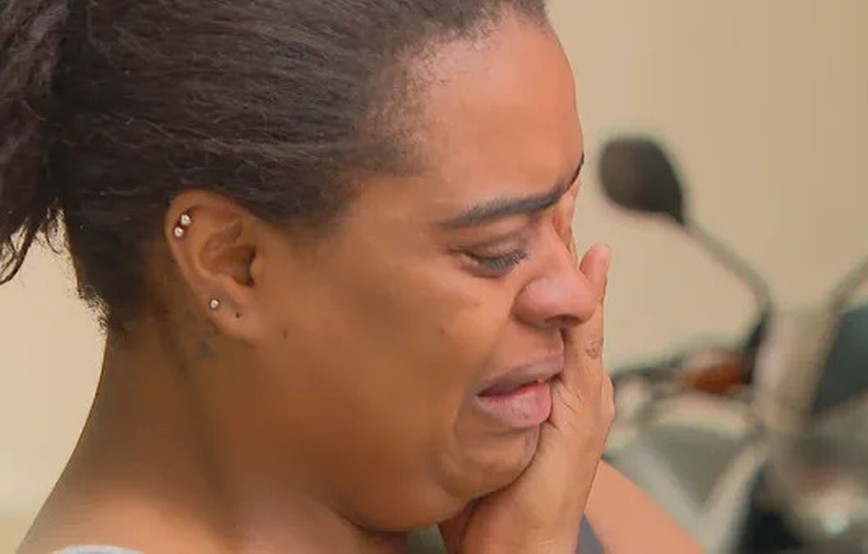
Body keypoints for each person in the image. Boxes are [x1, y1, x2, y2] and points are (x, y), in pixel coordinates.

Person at [0, 0, 699, 552]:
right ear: (234, 263)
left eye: (564, 217)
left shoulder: (546, 493)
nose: (572, 292)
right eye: (495, 249)